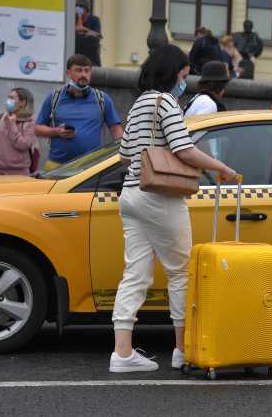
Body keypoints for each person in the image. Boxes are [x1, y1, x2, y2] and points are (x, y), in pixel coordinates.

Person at [109, 44, 237, 373]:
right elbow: (184, 150)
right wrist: (219, 166)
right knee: (180, 272)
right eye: (183, 76)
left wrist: (147, 153)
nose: (185, 82)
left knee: (134, 274)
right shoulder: (165, 101)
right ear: (172, 74)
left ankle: (121, 353)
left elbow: (124, 155)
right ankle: (181, 350)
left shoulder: (138, 103)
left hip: (131, 195)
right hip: (159, 196)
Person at [35, 54, 122, 171]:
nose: (83, 75)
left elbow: (116, 130)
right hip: (57, 166)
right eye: (78, 70)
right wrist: (57, 132)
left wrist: (120, 157)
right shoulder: (54, 97)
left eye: (87, 71)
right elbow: (37, 128)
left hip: (90, 168)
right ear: (68, 73)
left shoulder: (102, 99)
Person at [74, 0, 102, 66]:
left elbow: (98, 35)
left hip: (91, 58)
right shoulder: (73, 19)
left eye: (81, 6)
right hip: (76, 55)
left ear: (86, 9)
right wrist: (79, 19)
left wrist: (84, 29)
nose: (78, 9)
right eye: (77, 6)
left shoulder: (94, 20)